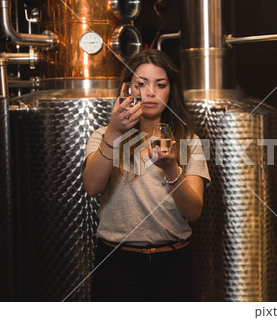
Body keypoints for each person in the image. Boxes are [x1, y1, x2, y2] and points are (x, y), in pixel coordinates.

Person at [83, 49, 210, 302]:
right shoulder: (103, 135)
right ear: (127, 90)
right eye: (140, 84)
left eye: (160, 85)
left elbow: (193, 212)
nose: (149, 92)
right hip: (117, 264)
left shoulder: (188, 141)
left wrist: (171, 167)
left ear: (170, 90)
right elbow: (92, 187)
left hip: (173, 265)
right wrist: (114, 132)